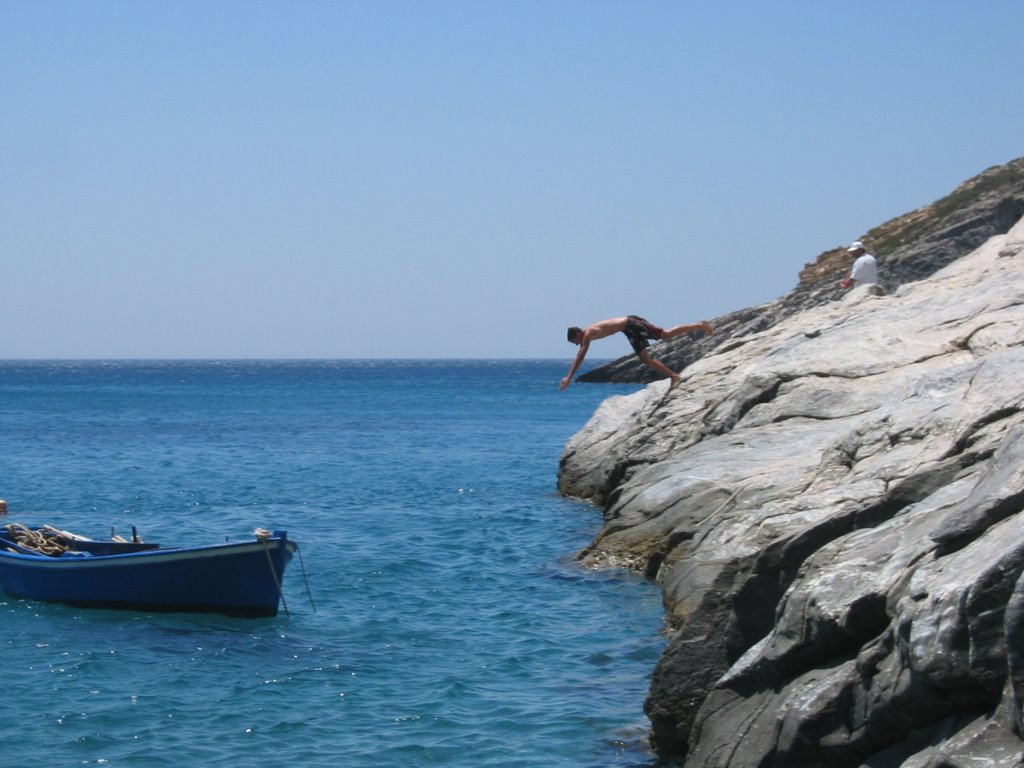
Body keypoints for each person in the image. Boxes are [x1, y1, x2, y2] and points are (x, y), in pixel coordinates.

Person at [560, 315, 714, 391]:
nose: (578, 345)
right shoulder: (588, 334)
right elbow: (580, 352)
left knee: (665, 335)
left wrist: (569, 377)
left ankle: (700, 325)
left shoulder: (588, 334)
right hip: (628, 330)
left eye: (575, 342)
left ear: (577, 335)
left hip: (632, 324)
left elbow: (581, 355)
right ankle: (674, 376)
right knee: (644, 358)